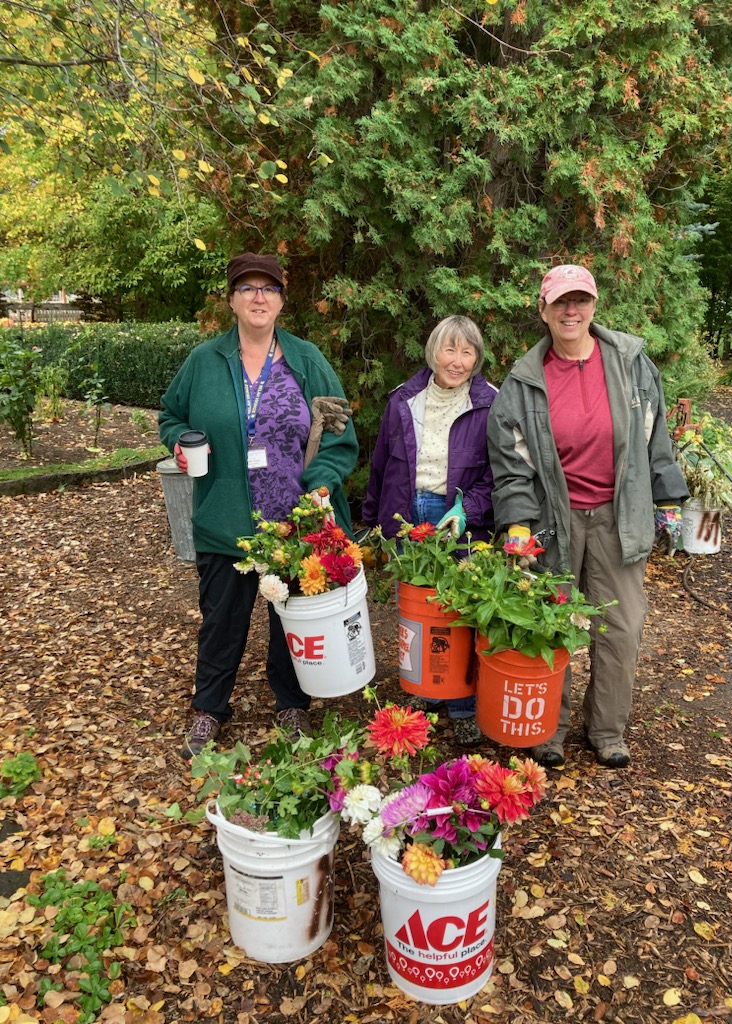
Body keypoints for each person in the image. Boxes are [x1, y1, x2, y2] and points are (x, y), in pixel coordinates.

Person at [487, 264, 688, 769]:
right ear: (544, 310)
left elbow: (655, 438)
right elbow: (511, 467)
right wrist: (516, 524)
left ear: (594, 305)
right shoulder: (523, 381)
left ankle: (606, 730)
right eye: (560, 303)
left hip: (619, 517)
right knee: (550, 624)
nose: (570, 311)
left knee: (620, 627)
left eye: (580, 300)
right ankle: (548, 729)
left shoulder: (631, 363)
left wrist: (668, 504)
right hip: (554, 521)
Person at [159, 252, 358, 759]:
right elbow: (171, 415)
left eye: (267, 288)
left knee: (293, 617)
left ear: (281, 301)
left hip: (293, 520)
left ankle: (292, 705)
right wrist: (181, 442)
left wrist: (320, 484)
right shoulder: (204, 361)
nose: (257, 297)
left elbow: (339, 435)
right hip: (225, 520)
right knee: (221, 620)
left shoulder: (306, 360)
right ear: (231, 300)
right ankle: (209, 708)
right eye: (246, 288)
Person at [363, 314, 497, 746]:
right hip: (407, 510)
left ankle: (460, 702)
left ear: (477, 358)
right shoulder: (405, 399)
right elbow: (381, 465)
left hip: (454, 514)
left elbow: (498, 477)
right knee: (417, 610)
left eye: (467, 351)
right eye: (449, 349)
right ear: (433, 351)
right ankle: (425, 690)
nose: (457, 361)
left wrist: (467, 509)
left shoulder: (490, 404)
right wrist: (374, 520)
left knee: (459, 611)